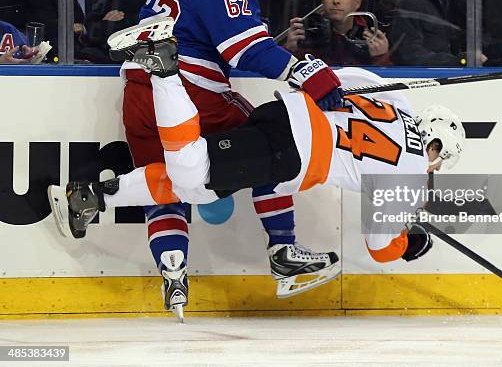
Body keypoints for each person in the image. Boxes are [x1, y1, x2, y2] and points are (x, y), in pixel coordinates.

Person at [49, 33, 466, 301]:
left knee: (205, 186)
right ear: (438, 150)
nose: (435, 169)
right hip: (291, 151)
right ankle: (165, 73)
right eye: (440, 162)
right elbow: (381, 247)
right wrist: (411, 240)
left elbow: (336, 78)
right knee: (192, 175)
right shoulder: (413, 177)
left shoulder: (397, 102)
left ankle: (93, 198)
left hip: (281, 116)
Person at [115, 0, 343, 319]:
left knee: (163, 181)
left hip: (138, 89)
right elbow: (245, 50)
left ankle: (173, 272)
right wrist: (305, 70)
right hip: (191, 90)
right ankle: (282, 249)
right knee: (273, 141)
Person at [286, 0, 391, 66]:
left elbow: (389, 80)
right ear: (323, 1)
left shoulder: (371, 34)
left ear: (357, 2)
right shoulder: (308, 33)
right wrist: (289, 51)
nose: (336, 0)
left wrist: (381, 57)